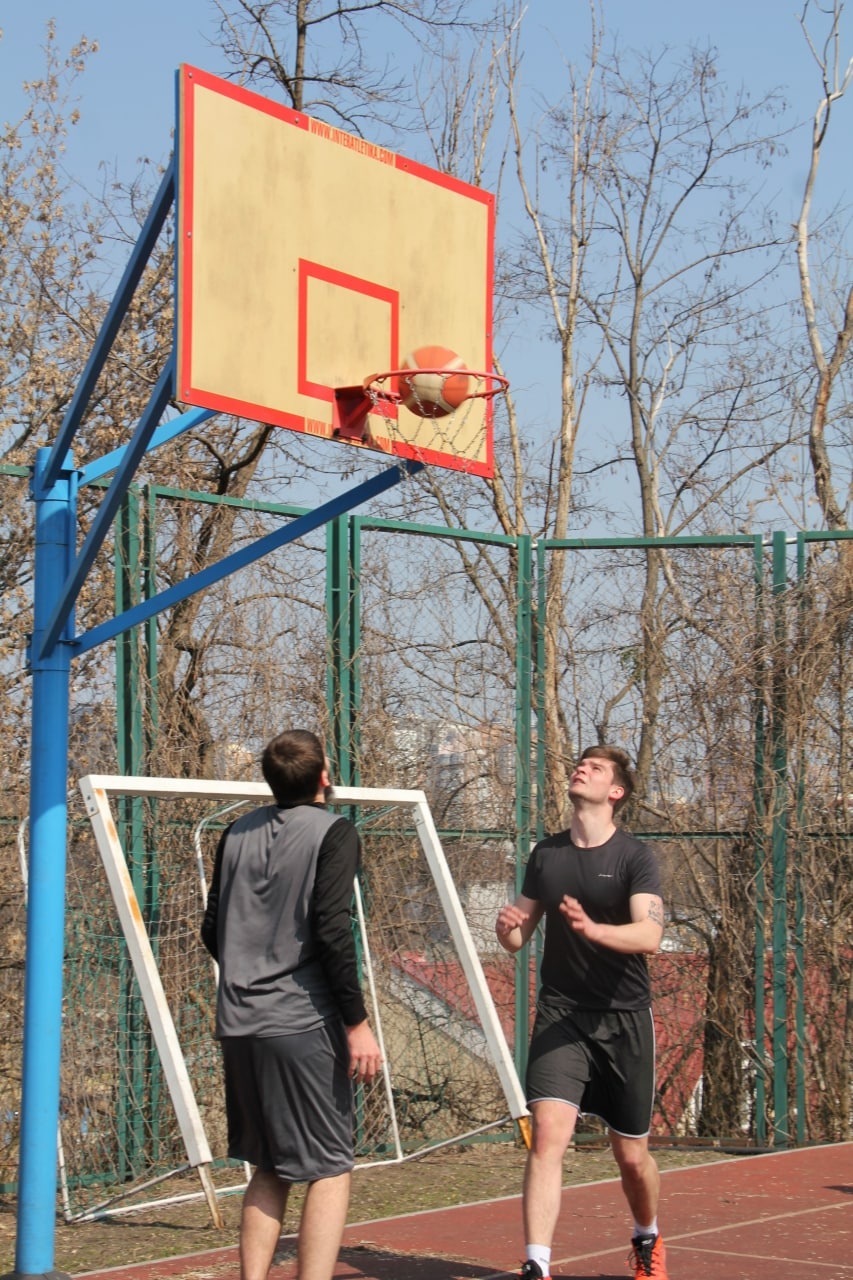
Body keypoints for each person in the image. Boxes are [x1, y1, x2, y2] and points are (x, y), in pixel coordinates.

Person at [201, 729, 383, 1280]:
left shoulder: (234, 832)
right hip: (301, 1021)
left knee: (269, 1165)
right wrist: (356, 1022)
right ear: (324, 775)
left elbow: (212, 928)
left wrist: (249, 969)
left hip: (239, 1021)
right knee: (330, 1167)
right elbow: (331, 931)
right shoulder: (334, 832)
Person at [496, 745, 667, 1280]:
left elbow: (650, 935)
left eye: (595, 768)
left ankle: (647, 1235)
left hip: (623, 1018)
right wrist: (506, 930)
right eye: (580, 764)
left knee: (631, 1158)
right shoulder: (546, 854)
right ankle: (537, 1264)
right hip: (562, 1014)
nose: (581, 769)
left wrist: (595, 930)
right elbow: (518, 937)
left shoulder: (635, 857)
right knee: (548, 1136)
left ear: (615, 792)